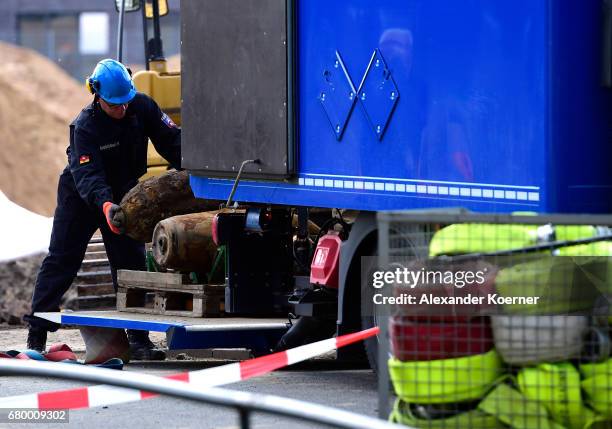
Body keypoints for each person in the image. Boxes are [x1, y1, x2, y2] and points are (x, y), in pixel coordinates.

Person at [24, 58, 181, 360]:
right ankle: (37, 334)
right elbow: (88, 175)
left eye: (125, 103)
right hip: (81, 196)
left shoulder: (142, 106)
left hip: (122, 193)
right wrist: (105, 203)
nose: (121, 110)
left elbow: (171, 140)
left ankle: (138, 340)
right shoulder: (84, 127)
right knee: (62, 259)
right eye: (114, 105)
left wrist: (193, 168)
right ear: (96, 94)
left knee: (130, 263)